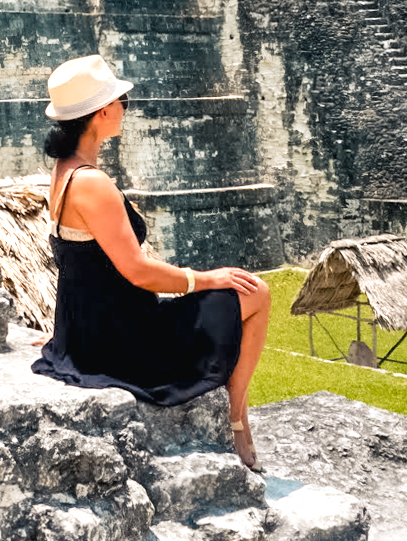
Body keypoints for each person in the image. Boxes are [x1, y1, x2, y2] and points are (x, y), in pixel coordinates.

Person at [29, 55, 271, 469]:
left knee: (240, 293)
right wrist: (204, 279)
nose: (125, 106)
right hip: (126, 342)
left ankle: (237, 414)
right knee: (258, 293)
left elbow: (77, 266)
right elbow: (138, 271)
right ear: (103, 112)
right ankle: (236, 416)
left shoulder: (64, 172)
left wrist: (65, 331)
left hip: (89, 334)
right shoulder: (92, 183)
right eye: (121, 100)